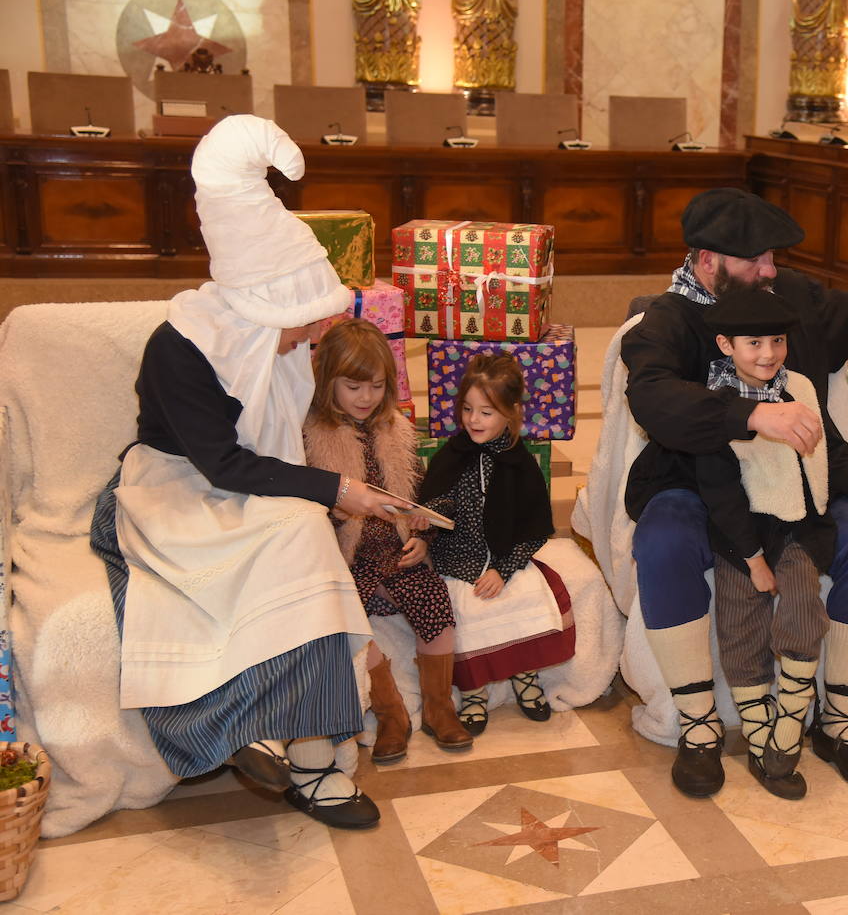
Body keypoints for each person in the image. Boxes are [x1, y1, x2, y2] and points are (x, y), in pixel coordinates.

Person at [88, 115, 414, 829]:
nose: (312, 336)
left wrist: (362, 477)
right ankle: (251, 732)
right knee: (288, 534)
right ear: (264, 306)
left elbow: (308, 433)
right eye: (303, 321)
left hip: (253, 487)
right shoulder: (180, 347)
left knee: (308, 545)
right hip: (173, 489)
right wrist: (336, 490)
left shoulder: (283, 351)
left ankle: (316, 755)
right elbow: (223, 461)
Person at [622, 187, 848, 798]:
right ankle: (698, 727)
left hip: (798, 490)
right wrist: (750, 416)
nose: (771, 270)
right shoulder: (663, 320)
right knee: (662, 537)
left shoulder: (787, 299)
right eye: (756, 259)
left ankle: (843, 721)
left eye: (772, 256)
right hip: (696, 485)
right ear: (707, 259)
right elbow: (653, 396)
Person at [695, 288, 848, 800]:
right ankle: (758, 727)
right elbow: (718, 490)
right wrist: (751, 559)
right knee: (740, 620)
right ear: (725, 343)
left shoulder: (801, 386)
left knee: (804, 609)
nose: (768, 353)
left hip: (798, 528)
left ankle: (791, 716)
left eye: (778, 340)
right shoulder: (715, 405)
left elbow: (832, 444)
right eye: (753, 342)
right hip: (740, 533)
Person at [304, 319, 472, 763]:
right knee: (346, 623)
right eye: (353, 386)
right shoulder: (312, 436)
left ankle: (439, 707)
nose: (366, 398)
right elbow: (311, 510)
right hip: (349, 557)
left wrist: (424, 537)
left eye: (376, 386)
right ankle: (391, 712)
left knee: (435, 603)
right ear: (328, 382)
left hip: (396, 550)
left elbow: (415, 497)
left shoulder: (397, 430)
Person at [418, 354, 576, 733]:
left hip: (506, 557)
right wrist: (429, 515)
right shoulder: (452, 454)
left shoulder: (519, 463)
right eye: (468, 409)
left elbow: (535, 528)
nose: (473, 420)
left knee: (526, 596)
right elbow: (440, 499)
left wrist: (502, 570)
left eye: (486, 412)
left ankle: (525, 675)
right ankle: (474, 692)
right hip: (457, 559)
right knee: (467, 610)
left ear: (511, 413)